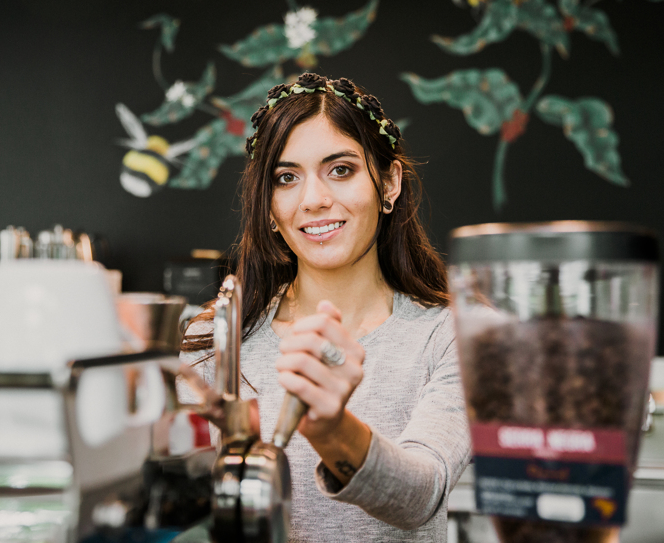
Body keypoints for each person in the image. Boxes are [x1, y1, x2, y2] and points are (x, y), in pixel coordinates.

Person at [178, 72, 470, 542]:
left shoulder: (450, 336)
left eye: (341, 169)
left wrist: (331, 428)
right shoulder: (216, 342)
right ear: (269, 207)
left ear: (389, 183)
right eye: (287, 178)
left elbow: (421, 493)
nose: (314, 200)